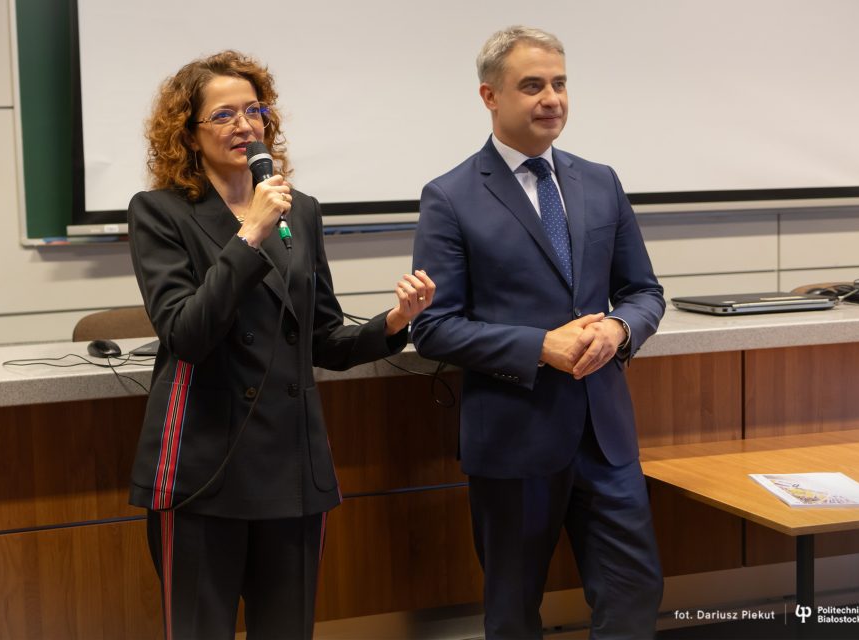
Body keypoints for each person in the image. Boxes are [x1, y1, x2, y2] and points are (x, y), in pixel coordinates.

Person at [127, 50, 434, 640]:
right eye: (223, 115)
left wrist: (395, 322)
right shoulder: (161, 213)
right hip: (204, 466)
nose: (244, 125)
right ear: (187, 135)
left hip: (292, 468)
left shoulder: (304, 212)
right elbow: (186, 334)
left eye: (254, 110)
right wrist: (250, 234)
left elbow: (322, 338)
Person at [411, 27, 665, 639]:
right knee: (513, 610)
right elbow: (433, 327)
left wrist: (619, 329)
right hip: (513, 438)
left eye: (559, 83)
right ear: (490, 96)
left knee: (635, 594)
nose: (552, 98)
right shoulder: (449, 196)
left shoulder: (600, 181)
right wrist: (538, 347)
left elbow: (644, 293)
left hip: (605, 437)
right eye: (532, 86)